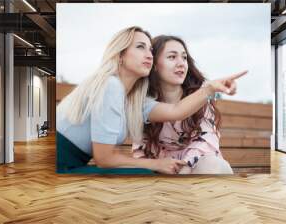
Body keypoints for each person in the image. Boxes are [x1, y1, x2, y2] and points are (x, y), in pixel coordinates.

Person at [57, 26, 246, 174]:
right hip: (59, 162)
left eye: (150, 49)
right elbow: (104, 159)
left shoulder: (133, 100)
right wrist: (158, 164)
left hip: (76, 162)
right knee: (141, 176)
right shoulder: (111, 85)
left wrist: (210, 88)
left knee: (202, 168)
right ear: (120, 55)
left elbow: (176, 111)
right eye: (140, 47)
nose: (148, 54)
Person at [133, 35, 239, 174]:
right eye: (172, 57)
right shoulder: (144, 103)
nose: (181, 63)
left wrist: (185, 165)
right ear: (154, 66)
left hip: (199, 162)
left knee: (212, 165)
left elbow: (207, 139)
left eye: (184, 57)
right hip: (163, 169)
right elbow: (141, 150)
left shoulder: (198, 97)